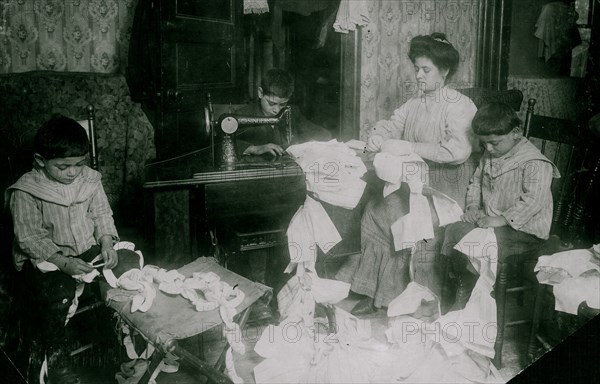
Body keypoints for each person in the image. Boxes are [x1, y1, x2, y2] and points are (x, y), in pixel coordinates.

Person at [335, 32, 478, 315]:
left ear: (445, 71)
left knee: (404, 220)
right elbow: (392, 124)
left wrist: (409, 145)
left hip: (447, 189)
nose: (419, 76)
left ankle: (411, 300)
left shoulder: (459, 105)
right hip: (417, 183)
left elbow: (458, 151)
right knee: (375, 212)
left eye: (426, 70)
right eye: (416, 69)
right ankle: (373, 291)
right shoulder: (416, 102)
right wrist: (378, 134)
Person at [7, 115, 120, 384]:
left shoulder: (89, 180)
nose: (72, 172)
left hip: (86, 248)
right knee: (58, 295)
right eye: (62, 167)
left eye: (79, 164)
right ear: (40, 160)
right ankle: (59, 363)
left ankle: (124, 349)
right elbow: (28, 237)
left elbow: (102, 213)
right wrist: (62, 262)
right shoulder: (27, 189)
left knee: (125, 274)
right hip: (48, 257)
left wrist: (106, 242)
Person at [442, 102, 558, 310]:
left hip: (525, 233)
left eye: (494, 142)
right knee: (455, 229)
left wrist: (502, 219)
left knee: (479, 242)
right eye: (484, 143)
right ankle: (462, 285)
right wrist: (472, 207)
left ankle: (472, 298)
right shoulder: (491, 154)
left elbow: (534, 201)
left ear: (516, 132)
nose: (488, 148)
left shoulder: (535, 163)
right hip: (493, 224)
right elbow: (476, 182)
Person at [235, 68, 332, 157]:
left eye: (282, 104)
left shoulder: (293, 112)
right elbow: (223, 142)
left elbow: (321, 133)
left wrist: (310, 142)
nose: (276, 110)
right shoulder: (242, 115)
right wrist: (254, 149)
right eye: (271, 103)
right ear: (260, 92)